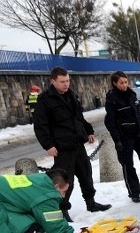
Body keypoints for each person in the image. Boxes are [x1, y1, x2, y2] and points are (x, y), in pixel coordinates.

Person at [33, 66, 111, 222]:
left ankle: (91, 203)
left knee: (86, 175)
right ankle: (63, 209)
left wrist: (88, 131)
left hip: (78, 144)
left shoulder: (72, 95)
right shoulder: (44, 100)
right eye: (62, 81)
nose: (66, 84)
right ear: (53, 81)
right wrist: (48, 145)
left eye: (67, 80)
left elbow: (79, 118)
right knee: (65, 181)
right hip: (62, 148)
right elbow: (40, 125)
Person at [104, 71, 140, 203]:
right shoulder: (112, 99)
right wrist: (117, 140)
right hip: (124, 137)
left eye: (126, 82)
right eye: (121, 83)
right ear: (115, 83)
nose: (124, 85)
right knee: (128, 165)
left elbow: (138, 115)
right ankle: (134, 192)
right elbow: (110, 122)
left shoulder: (132, 94)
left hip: (138, 134)